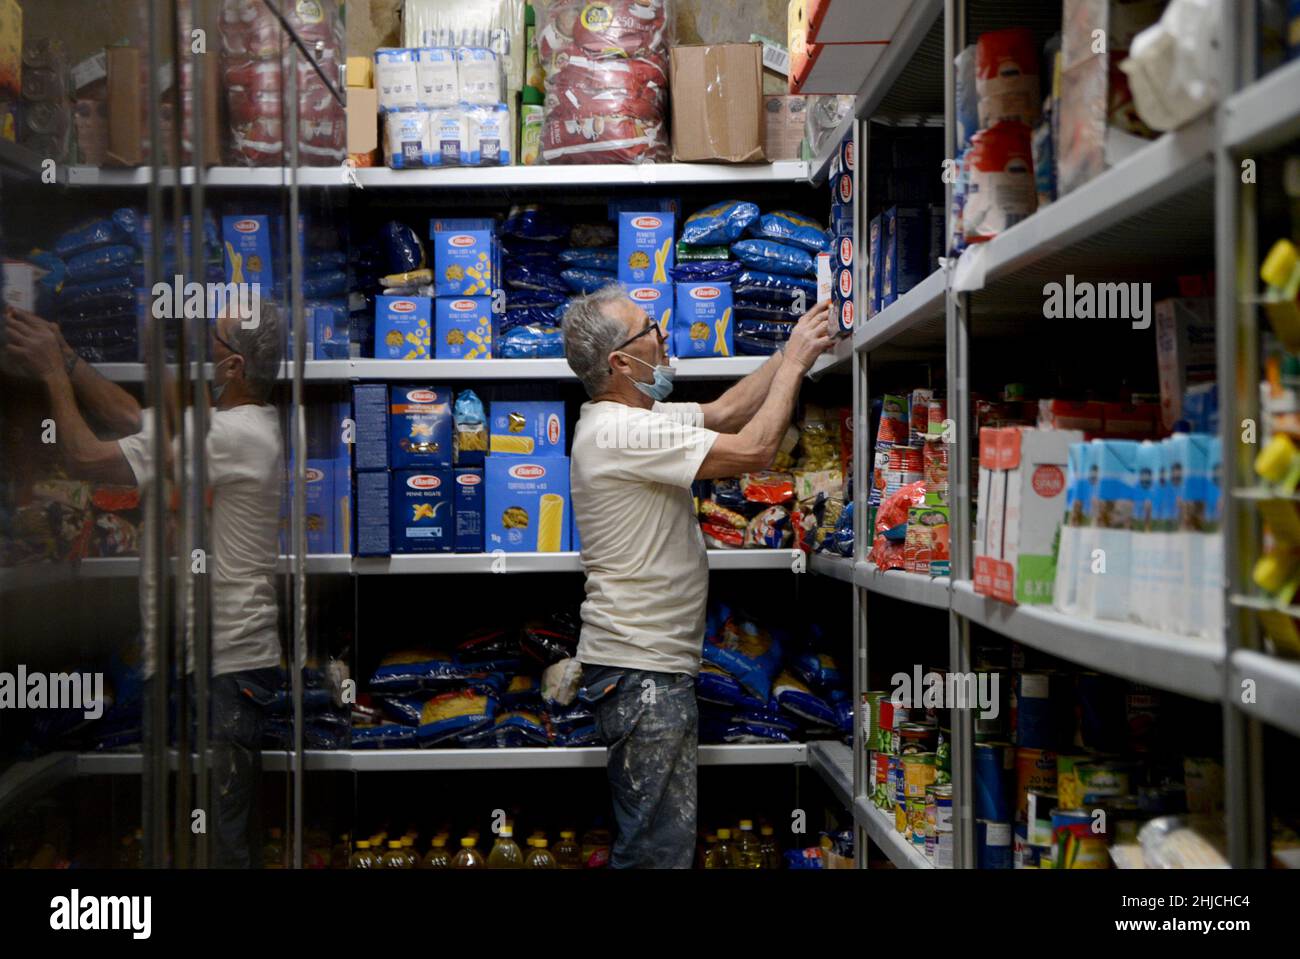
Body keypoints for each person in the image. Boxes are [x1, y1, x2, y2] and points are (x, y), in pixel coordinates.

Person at [4, 304, 285, 868]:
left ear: (231, 367)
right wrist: (68, 354)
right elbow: (133, 415)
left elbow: (86, 457)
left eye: (210, 338)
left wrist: (50, 374)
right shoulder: (240, 424)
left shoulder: (229, 435)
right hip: (227, 662)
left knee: (223, 841)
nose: (197, 346)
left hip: (229, 667)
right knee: (217, 826)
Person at [563, 284, 832, 868]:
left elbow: (727, 410)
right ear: (620, 362)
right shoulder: (622, 431)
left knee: (656, 841)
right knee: (657, 851)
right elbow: (756, 447)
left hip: (646, 668)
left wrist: (787, 351)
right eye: (648, 330)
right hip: (643, 673)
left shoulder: (636, 418)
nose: (662, 336)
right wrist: (801, 366)